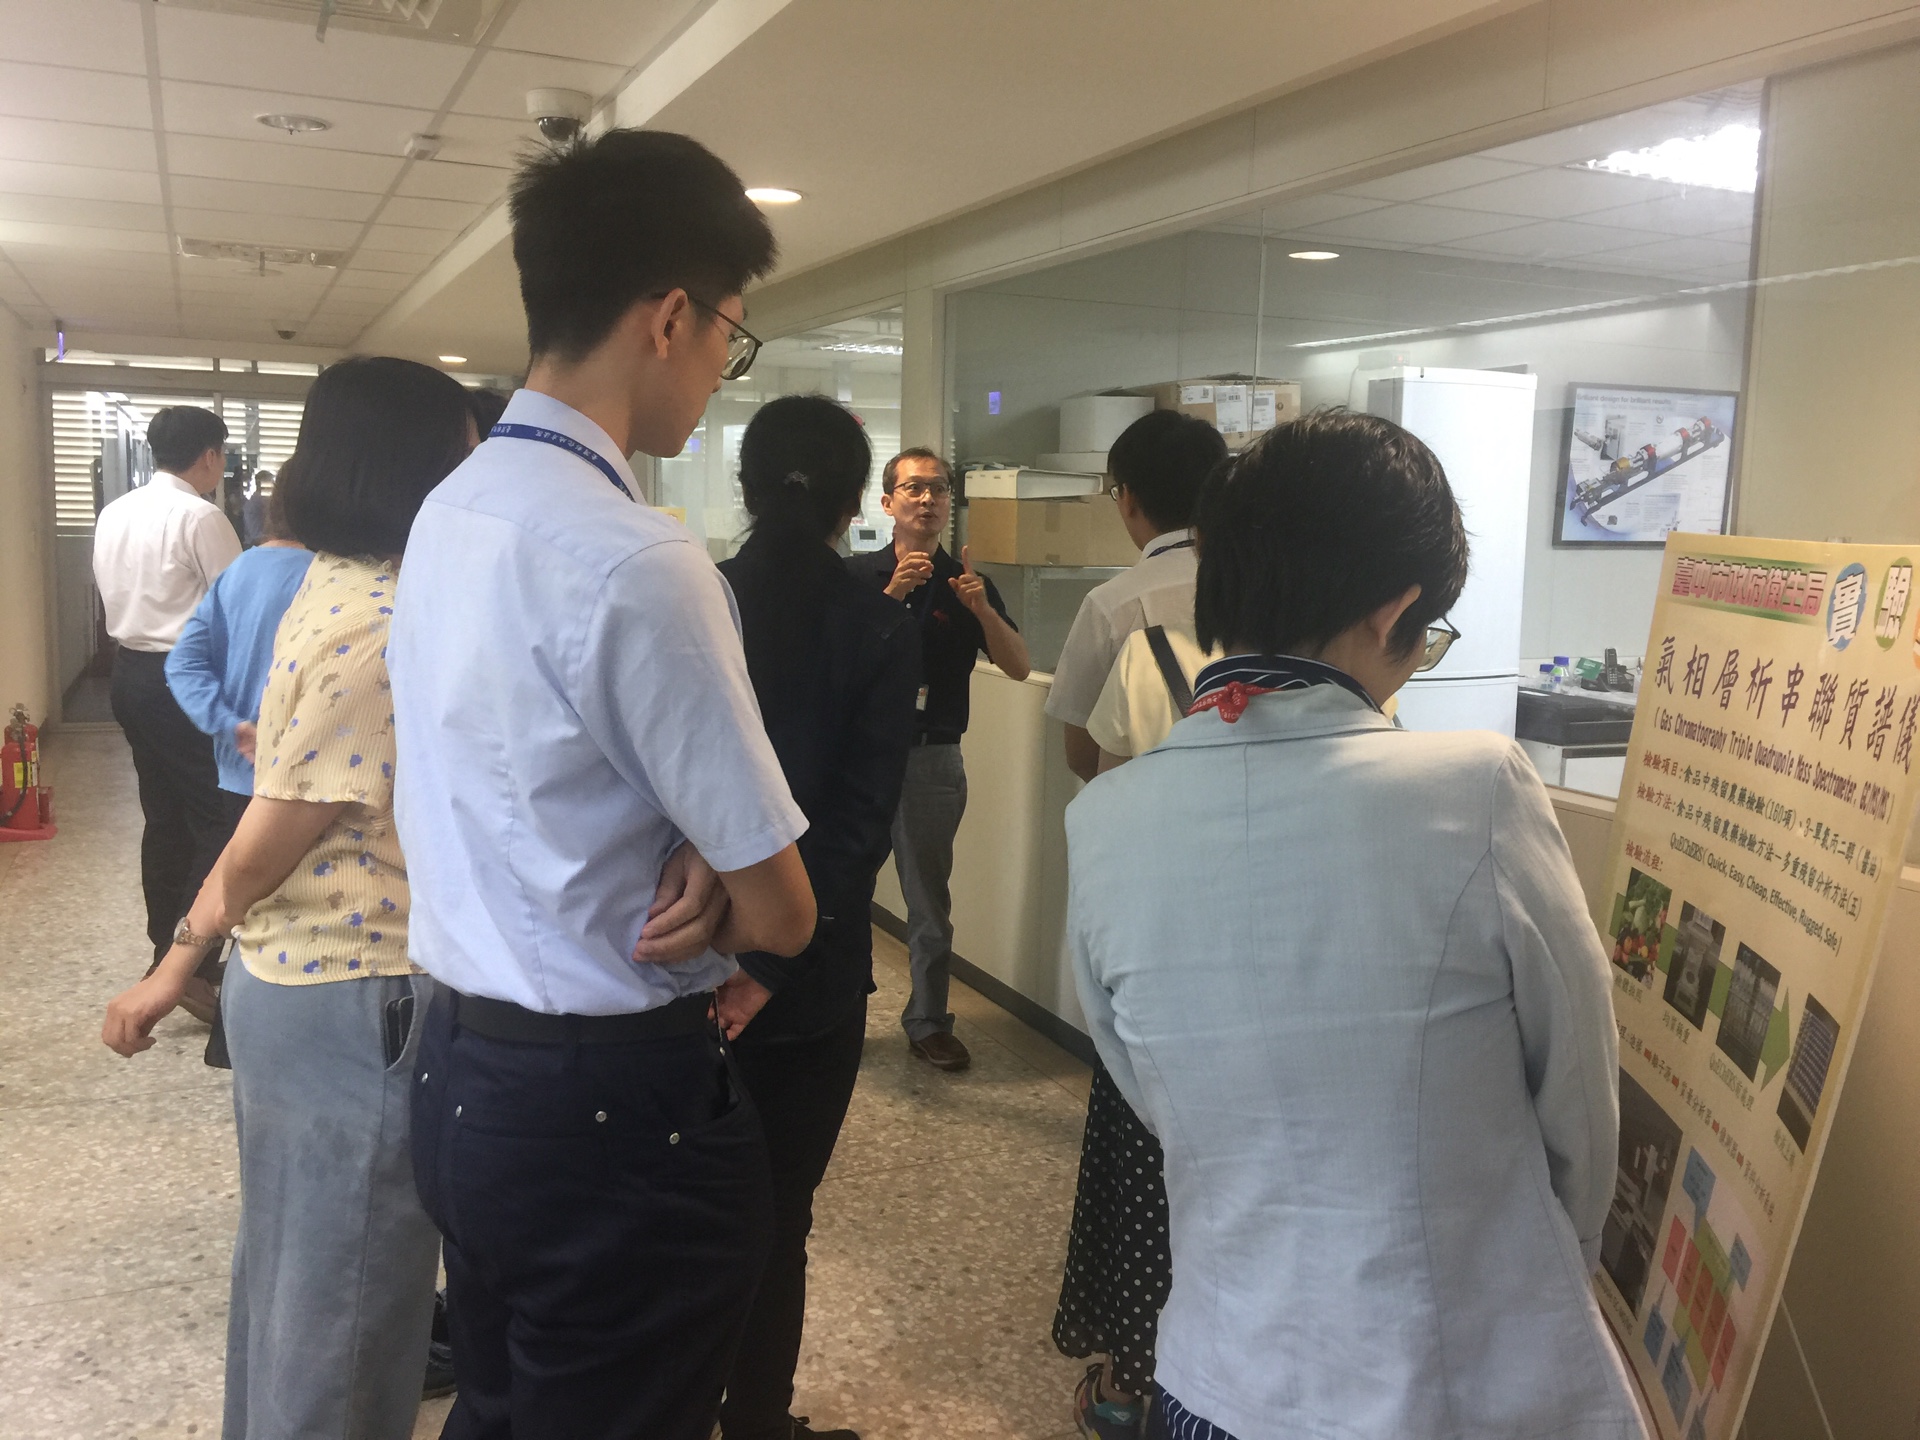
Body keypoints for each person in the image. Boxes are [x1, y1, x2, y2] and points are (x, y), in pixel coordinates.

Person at [1066, 409, 1640, 1440]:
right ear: (1396, 610)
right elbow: (1580, 1100)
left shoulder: (1104, 821)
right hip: (1447, 1384)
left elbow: (1147, 1089)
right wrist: (1547, 1266)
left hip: (1216, 1376)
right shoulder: (1478, 789)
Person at [388, 128, 817, 1440]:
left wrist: (686, 832)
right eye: (731, 334)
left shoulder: (450, 509)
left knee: (504, 1403)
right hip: (607, 1113)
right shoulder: (638, 558)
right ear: (671, 318)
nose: (721, 368)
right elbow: (783, 911)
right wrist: (716, 858)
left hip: (458, 1071)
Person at [101, 356, 478, 1440]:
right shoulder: (383, 621)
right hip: (354, 997)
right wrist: (177, 959)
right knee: (347, 1319)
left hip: (296, 986)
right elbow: (266, 843)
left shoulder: (322, 577)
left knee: (292, 1284)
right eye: (464, 453)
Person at [715, 396, 920, 1440]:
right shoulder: (880, 624)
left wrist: (727, 951)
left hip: (676, 960)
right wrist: (774, 964)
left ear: (747, 489)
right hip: (813, 976)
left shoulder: (697, 601)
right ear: (856, 502)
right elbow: (857, 825)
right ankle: (758, 1423)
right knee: (778, 1218)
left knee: (679, 1210)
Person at [1047, 410, 1224, 1438]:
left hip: (1155, 904)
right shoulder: (1272, 595)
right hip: (1254, 915)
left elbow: (1084, 752)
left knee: (1137, 1143)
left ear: (1127, 498)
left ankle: (1130, 1378)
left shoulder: (1119, 606)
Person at [848, 449, 1030, 1071]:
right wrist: (893, 595)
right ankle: (842, 1008)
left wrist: (982, 611)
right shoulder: (858, 577)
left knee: (928, 903)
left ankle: (928, 1021)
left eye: (939, 489)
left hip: (932, 761)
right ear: (887, 502)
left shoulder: (967, 582)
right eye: (914, 489)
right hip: (859, 760)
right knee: (843, 890)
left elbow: (1018, 666)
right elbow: (837, 666)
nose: (928, 499)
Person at [93, 405, 243, 1018]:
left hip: (129, 674)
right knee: (219, 819)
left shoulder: (115, 511)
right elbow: (236, 605)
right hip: (185, 680)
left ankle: (165, 951)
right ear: (209, 455)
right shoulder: (201, 517)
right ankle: (187, 966)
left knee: (164, 817)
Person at [1046, 410, 1225, 783]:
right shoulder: (1262, 589)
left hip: (1148, 801)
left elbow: (1081, 754)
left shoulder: (1111, 604)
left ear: (1127, 498)